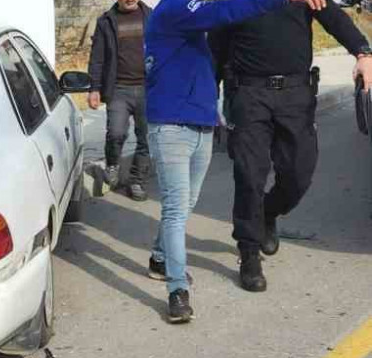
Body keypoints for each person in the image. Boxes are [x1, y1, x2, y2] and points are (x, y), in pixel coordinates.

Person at [145, 0, 325, 323]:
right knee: (175, 208)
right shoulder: (174, 10)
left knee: (186, 203)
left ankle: (160, 257)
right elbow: (224, 12)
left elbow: (211, 57)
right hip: (171, 126)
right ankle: (177, 291)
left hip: (200, 123)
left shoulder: (191, 20)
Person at [209, 2, 372, 292]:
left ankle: (267, 212)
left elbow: (333, 17)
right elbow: (215, 48)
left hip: (296, 95)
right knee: (249, 175)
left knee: (299, 173)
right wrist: (208, 98)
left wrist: (362, 52)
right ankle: (248, 252)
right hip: (249, 95)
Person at [88, 0, 153, 201]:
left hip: (148, 88)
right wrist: (94, 88)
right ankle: (113, 165)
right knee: (115, 133)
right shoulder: (106, 21)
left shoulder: (152, 17)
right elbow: (97, 57)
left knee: (147, 138)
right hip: (118, 89)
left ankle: (137, 181)